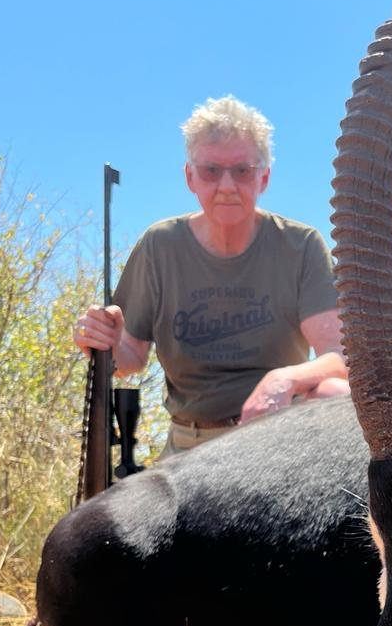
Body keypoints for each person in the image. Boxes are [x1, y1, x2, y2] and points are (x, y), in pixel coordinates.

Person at [74, 97, 349, 455]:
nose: (227, 186)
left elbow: (339, 357)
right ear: (190, 176)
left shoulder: (301, 246)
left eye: (242, 171)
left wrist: (282, 379)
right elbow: (130, 359)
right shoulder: (160, 245)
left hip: (277, 434)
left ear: (263, 177)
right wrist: (103, 341)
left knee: (334, 393)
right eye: (211, 171)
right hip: (191, 445)